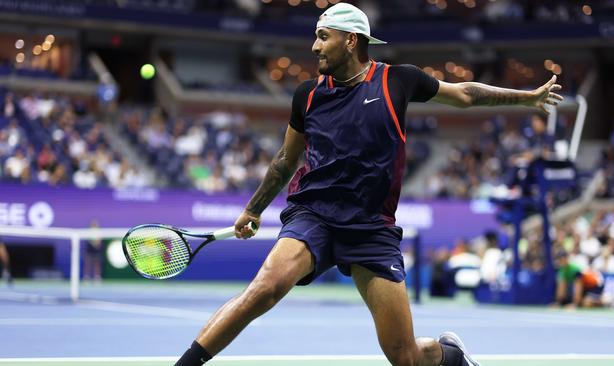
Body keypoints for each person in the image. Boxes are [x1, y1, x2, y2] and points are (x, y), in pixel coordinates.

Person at [175, 3, 562, 366]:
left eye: (323, 36)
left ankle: (452, 357)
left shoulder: (398, 81)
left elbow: (463, 94)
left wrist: (526, 97)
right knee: (264, 289)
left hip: (370, 227)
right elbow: (284, 160)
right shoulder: (307, 95)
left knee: (405, 357)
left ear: (351, 40)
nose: (315, 46)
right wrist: (253, 209)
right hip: (314, 215)